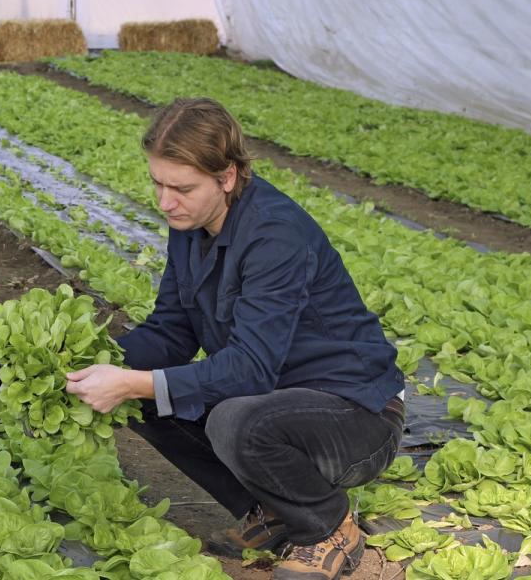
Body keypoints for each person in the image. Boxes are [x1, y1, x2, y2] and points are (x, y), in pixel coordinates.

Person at [65, 97, 405, 580]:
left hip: (357, 416)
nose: (165, 202)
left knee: (233, 420)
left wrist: (131, 381)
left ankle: (328, 529)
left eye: (181, 188)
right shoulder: (191, 224)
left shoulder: (274, 235)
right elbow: (170, 332)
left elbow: (250, 369)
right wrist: (80, 364)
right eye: (157, 183)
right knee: (144, 396)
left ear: (226, 177)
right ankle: (268, 509)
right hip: (278, 401)